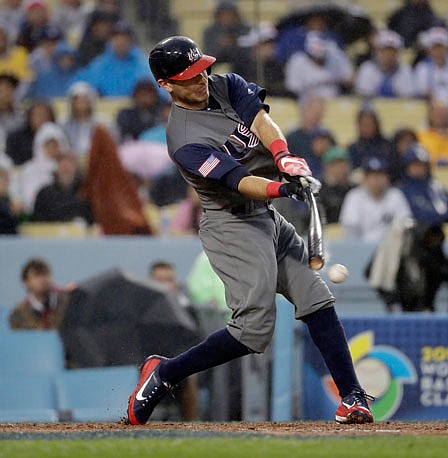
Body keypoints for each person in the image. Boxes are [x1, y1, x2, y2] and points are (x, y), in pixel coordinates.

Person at [126, 35, 374, 426]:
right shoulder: (184, 140)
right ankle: (166, 372)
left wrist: (284, 157)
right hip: (231, 223)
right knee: (254, 329)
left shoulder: (225, 85)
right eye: (189, 76)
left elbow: (261, 119)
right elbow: (238, 180)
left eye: (201, 69)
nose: (201, 79)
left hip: (263, 214)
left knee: (316, 298)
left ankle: (352, 396)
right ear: (166, 85)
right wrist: (282, 188)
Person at [149, 260, 199, 422]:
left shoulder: (186, 309)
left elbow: (196, 339)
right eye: (160, 280)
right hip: (147, 364)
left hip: (176, 364)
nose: (165, 285)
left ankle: (190, 427)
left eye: (169, 280)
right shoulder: (141, 311)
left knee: (190, 378)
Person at [339, 157, 412, 242]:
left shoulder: (395, 196)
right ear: (365, 178)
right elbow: (350, 228)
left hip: (390, 250)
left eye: (380, 175)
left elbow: (405, 225)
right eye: (373, 176)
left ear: (387, 178)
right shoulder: (354, 196)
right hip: (361, 249)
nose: (377, 180)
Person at [73, 21, 154, 97]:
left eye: (124, 39)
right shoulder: (98, 65)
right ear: (111, 40)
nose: (121, 42)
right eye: (117, 39)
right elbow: (84, 88)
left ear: (131, 41)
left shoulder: (143, 65)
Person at [397, 143, 448, 226]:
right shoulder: (399, 190)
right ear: (407, 166)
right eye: (415, 164)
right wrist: (442, 216)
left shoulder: (437, 187)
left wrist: (442, 216)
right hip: (415, 233)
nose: (420, 168)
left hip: (440, 232)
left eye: (423, 165)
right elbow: (413, 216)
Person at [284, 31, 353, 103]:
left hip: (334, 100)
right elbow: (293, 89)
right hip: (306, 101)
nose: (318, 60)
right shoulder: (297, 61)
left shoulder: (336, 57)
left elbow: (349, 81)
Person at [31, 152, 93, 225]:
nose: (66, 169)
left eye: (70, 165)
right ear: (57, 169)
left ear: (76, 168)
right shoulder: (44, 193)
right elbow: (38, 221)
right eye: (63, 165)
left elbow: (92, 220)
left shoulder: (87, 192)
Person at [413, 27, 448, 105]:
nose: (439, 51)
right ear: (429, 50)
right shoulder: (422, 68)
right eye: (435, 48)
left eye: (442, 47)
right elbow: (419, 93)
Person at [9, 257, 69, 330]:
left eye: (45, 274)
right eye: (36, 275)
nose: (42, 279)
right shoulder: (18, 314)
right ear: (26, 282)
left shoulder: (70, 303)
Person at [354, 29, 414, 99]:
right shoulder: (367, 69)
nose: (388, 55)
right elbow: (363, 97)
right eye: (385, 51)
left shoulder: (406, 71)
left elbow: (408, 98)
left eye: (392, 52)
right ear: (377, 51)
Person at [202, 0, 249, 65]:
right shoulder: (210, 31)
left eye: (230, 14)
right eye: (223, 14)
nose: (227, 17)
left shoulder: (244, 29)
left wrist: (235, 43)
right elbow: (208, 54)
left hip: (240, 64)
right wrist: (220, 45)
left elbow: (248, 51)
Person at [318, 146, 355, 224]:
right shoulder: (319, 190)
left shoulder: (355, 189)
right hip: (328, 232)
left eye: (343, 164)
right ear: (327, 168)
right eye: (335, 166)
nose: (341, 169)